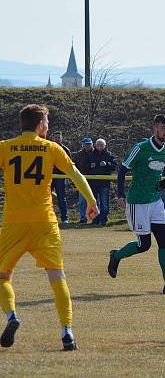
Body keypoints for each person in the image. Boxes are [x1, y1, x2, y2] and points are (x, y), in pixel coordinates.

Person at [0, 104, 99, 350]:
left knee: (3, 275)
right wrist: (91, 201)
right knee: (57, 274)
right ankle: (67, 332)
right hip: (45, 221)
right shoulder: (51, 148)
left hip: (14, 222)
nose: (49, 126)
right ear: (41, 125)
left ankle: (12, 316)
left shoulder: (5, 147)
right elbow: (76, 175)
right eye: (47, 121)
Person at [107, 114, 165, 295]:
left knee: (164, 241)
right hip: (137, 202)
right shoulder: (140, 147)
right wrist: (120, 194)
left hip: (155, 201)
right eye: (164, 128)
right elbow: (123, 170)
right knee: (144, 245)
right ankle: (116, 255)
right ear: (155, 128)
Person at [89, 138, 117, 226]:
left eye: (102, 145)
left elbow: (114, 166)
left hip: (104, 183)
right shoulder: (91, 155)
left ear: (105, 146)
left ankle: (103, 220)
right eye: (98, 145)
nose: (100, 147)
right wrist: (89, 165)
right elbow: (84, 167)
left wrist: (107, 164)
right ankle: (95, 220)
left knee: (104, 203)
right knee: (94, 203)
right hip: (93, 183)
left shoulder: (109, 155)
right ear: (95, 146)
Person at [49, 131, 72, 225]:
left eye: (59, 137)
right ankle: (47, 217)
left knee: (62, 197)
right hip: (48, 176)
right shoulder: (48, 147)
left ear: (62, 138)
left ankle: (64, 218)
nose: (57, 139)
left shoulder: (65, 150)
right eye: (56, 137)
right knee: (46, 197)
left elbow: (69, 164)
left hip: (60, 177)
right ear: (53, 138)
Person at [72, 137, 94, 224]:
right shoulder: (78, 155)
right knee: (82, 201)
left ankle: (93, 218)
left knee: (94, 200)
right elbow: (74, 167)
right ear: (83, 145)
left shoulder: (96, 153)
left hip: (95, 182)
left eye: (89, 144)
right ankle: (83, 218)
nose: (88, 146)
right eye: (86, 144)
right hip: (82, 181)